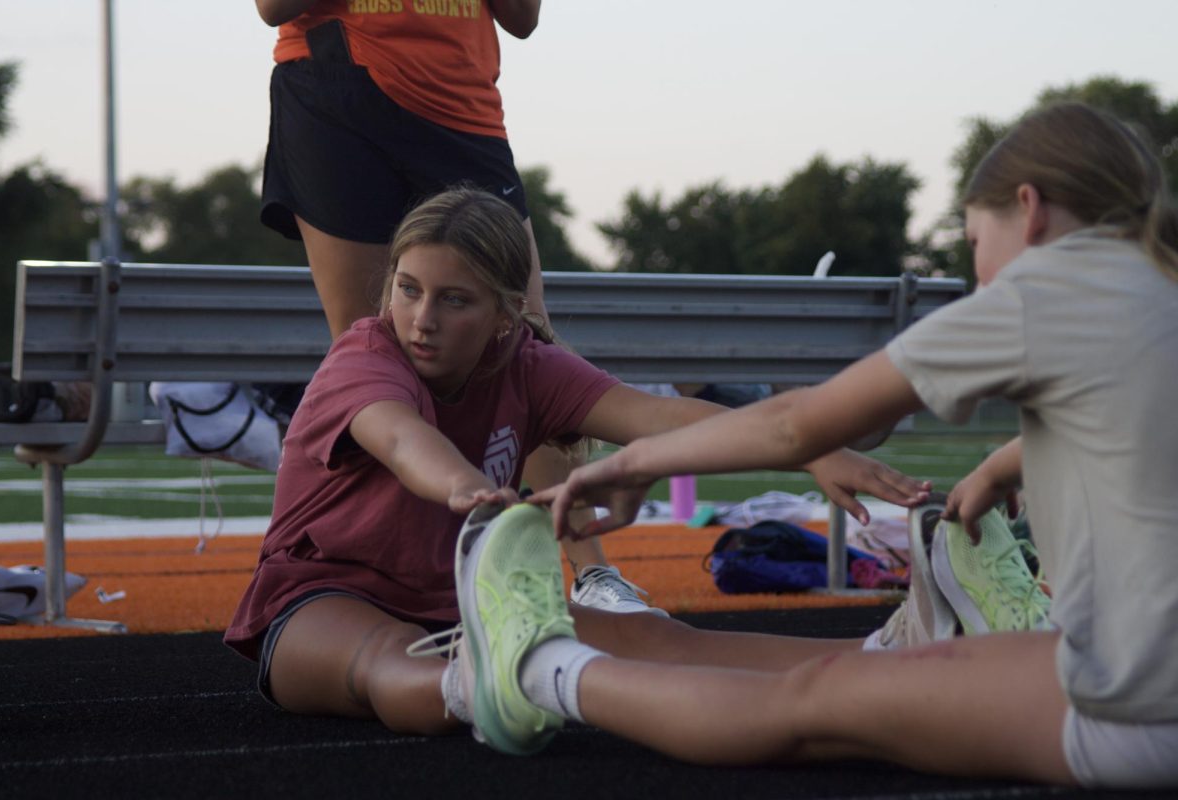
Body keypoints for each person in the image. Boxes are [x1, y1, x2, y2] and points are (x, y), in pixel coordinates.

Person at [444, 103, 1178, 788]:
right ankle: (914, 646)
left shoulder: (1048, 289)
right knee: (934, 666)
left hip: (1135, 708)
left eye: (976, 245)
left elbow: (800, 424)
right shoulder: (1156, 286)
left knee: (810, 703)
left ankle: (539, 669)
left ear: (1030, 209)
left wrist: (631, 461)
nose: (980, 275)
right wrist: (1004, 461)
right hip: (1146, 686)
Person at [222, 187, 933, 737]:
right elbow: (405, 441)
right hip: (319, 601)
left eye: (453, 300)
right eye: (408, 288)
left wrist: (812, 451)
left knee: (653, 636)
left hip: (471, 605)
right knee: (393, 658)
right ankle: (487, 687)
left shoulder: (529, 365)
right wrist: (475, 493)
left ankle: (889, 656)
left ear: (504, 314)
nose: (422, 319)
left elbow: (661, 419)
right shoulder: (367, 354)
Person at [252, 0, 650, 611]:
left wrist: (802, 441)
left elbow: (522, 18)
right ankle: (394, 579)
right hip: (339, 85)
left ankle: (590, 575)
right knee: (371, 351)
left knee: (525, 343)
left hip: (461, 98)